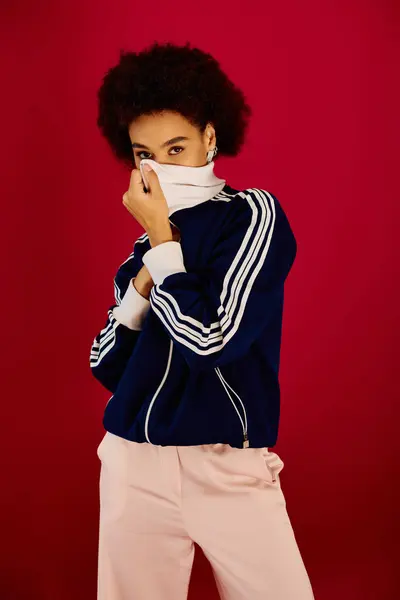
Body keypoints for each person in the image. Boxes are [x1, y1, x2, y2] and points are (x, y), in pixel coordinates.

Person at [90, 41, 315, 600]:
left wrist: (162, 247)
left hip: (226, 468)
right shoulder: (140, 252)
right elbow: (106, 366)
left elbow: (213, 340)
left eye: (175, 147)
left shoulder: (251, 216)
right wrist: (140, 284)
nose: (157, 167)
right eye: (143, 153)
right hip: (133, 466)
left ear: (211, 138)